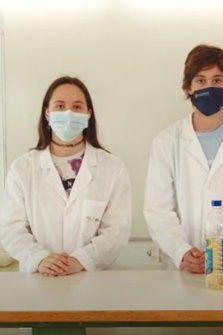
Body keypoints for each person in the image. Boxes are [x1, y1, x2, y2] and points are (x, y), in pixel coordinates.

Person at [144, 44, 223, 272]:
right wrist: (181, 252)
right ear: (188, 88)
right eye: (201, 81)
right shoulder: (166, 143)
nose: (209, 88)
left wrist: (218, 253)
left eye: (217, 80)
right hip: (180, 267)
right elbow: (158, 210)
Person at [0, 76, 131, 275]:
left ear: (88, 114)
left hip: (91, 277)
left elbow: (117, 230)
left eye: (77, 107)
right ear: (47, 113)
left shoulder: (112, 168)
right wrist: (39, 258)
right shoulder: (23, 168)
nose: (68, 113)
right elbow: (11, 228)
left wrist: (81, 260)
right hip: (38, 277)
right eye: (60, 106)